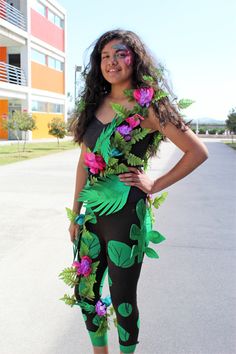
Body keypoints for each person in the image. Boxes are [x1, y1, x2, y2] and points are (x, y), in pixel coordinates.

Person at [60, 29, 208, 354]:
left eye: (120, 54)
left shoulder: (151, 105)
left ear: (135, 58)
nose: (112, 62)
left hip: (126, 216)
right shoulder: (94, 103)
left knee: (124, 298)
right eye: (105, 57)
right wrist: (75, 214)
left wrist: (154, 183)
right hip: (91, 216)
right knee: (85, 293)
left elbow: (197, 151)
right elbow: (84, 162)